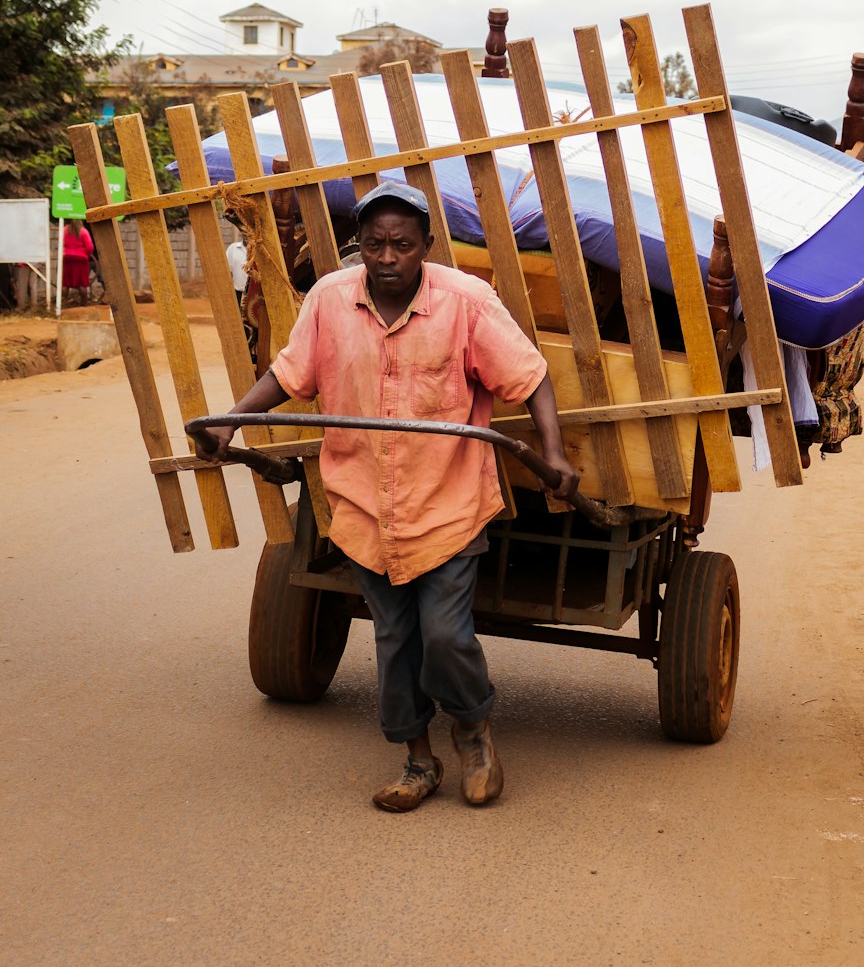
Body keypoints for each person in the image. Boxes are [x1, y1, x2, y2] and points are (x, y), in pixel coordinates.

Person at [195, 182, 579, 812]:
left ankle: (472, 729)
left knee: (446, 635)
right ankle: (416, 758)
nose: (388, 256)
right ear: (360, 248)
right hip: (365, 504)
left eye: (402, 244)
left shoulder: (466, 301)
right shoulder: (328, 300)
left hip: (447, 502)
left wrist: (554, 455)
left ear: (426, 247)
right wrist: (229, 419)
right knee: (395, 638)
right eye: (374, 244)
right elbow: (289, 374)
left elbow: (530, 377)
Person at [62, 219, 94, 304]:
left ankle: (63, 302)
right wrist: (85, 254)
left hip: (67, 258)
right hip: (80, 260)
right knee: (82, 284)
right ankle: (84, 303)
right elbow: (90, 247)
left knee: (65, 283)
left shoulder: (64, 230)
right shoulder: (83, 231)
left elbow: (60, 243)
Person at [225, 234, 248, 302]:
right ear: (241, 234)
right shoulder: (233, 248)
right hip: (237, 292)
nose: (247, 236)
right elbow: (227, 270)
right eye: (245, 233)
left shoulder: (259, 249)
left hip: (255, 294)